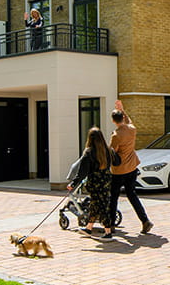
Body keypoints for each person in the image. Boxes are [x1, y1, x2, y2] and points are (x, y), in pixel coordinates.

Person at [109, 100, 153, 234]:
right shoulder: (132, 130)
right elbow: (129, 122)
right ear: (122, 118)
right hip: (132, 167)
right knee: (132, 194)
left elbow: (112, 152)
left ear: (113, 121)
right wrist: (122, 110)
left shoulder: (116, 135)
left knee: (113, 196)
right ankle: (145, 220)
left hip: (119, 170)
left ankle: (111, 224)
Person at [66, 127, 117, 241]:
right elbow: (117, 162)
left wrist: (73, 184)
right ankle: (88, 228)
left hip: (94, 183)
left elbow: (82, 172)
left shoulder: (89, 152)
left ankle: (108, 232)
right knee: (95, 204)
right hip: (106, 181)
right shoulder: (108, 150)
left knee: (102, 206)